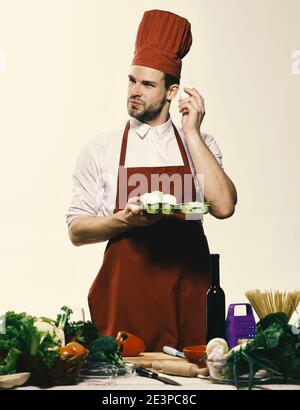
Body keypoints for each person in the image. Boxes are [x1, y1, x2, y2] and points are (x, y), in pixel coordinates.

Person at [66, 9, 237, 352]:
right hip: (126, 305)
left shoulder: (200, 145)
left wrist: (192, 133)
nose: (134, 91)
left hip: (187, 301)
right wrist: (123, 220)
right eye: (131, 80)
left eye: (147, 84)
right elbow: (76, 230)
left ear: (172, 91)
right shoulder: (102, 149)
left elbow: (223, 206)